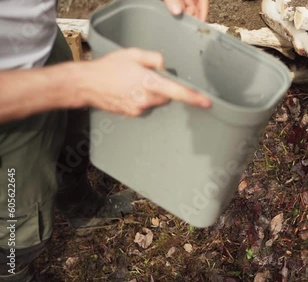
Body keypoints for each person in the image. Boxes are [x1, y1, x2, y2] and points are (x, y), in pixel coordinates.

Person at [0, 0, 211, 281]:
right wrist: (79, 84)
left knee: (73, 141)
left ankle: (82, 209)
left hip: (40, 43)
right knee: (19, 223)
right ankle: (14, 272)